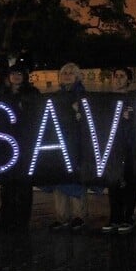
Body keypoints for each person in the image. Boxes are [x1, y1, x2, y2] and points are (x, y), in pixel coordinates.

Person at [0, 55, 39, 232]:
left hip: (25, 143)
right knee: (6, 187)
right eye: (14, 74)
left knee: (23, 185)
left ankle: (21, 221)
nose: (16, 77)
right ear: (9, 76)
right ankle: (6, 219)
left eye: (20, 74)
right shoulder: (3, 94)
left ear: (25, 77)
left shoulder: (33, 93)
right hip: (6, 145)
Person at [49, 62, 88, 232]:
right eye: (64, 72)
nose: (67, 75)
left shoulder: (83, 95)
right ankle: (61, 216)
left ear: (78, 76)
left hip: (76, 142)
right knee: (59, 178)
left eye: (71, 73)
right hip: (59, 141)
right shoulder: (56, 96)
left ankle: (79, 216)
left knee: (76, 178)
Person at [101, 67, 136, 235]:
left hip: (128, 147)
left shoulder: (133, 100)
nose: (118, 79)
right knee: (113, 183)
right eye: (116, 76)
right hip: (111, 147)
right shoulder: (107, 100)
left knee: (128, 183)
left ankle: (128, 217)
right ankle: (115, 216)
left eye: (122, 76)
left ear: (128, 80)